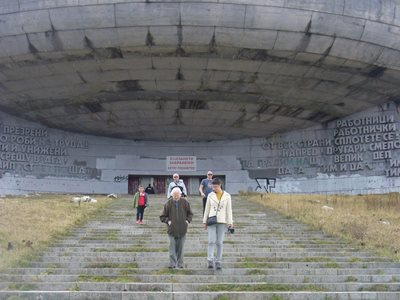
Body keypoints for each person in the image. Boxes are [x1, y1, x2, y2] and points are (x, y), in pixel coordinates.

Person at [202, 177, 233, 270]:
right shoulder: (210, 195)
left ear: (219, 185)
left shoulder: (227, 196)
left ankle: (218, 260)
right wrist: (204, 221)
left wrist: (230, 222)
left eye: (215, 187)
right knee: (211, 241)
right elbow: (206, 209)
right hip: (211, 220)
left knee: (219, 242)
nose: (213, 188)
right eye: (213, 187)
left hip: (222, 221)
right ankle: (210, 260)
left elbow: (229, 210)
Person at [160, 187, 193, 268]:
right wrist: (168, 221)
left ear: (180, 194)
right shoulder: (168, 203)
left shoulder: (185, 202)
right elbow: (162, 216)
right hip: (171, 230)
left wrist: (187, 221)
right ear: (172, 195)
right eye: (174, 195)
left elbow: (190, 214)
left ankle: (180, 263)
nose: (176, 196)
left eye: (177, 195)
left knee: (180, 248)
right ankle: (172, 264)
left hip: (182, 229)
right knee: (172, 247)